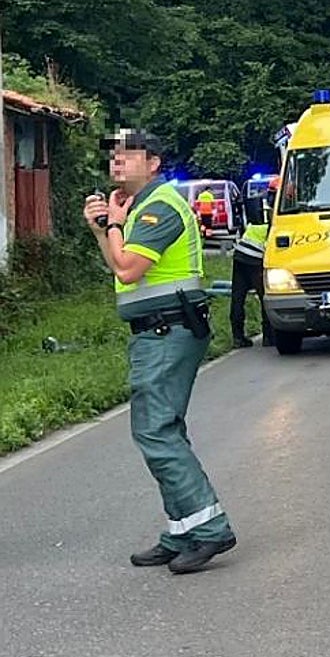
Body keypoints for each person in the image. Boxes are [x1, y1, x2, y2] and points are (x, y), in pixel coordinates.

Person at [82, 129, 236, 574]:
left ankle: (210, 530)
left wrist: (112, 223)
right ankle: (184, 529)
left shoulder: (160, 207)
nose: (117, 163)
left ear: (153, 163)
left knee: (156, 431)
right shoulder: (137, 209)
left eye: (128, 155)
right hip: (154, 331)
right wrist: (103, 228)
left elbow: (128, 270)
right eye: (114, 156)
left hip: (168, 330)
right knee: (162, 430)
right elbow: (119, 261)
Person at [230, 219, 274, 348]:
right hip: (256, 261)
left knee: (238, 297)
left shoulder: (256, 225)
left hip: (239, 256)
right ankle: (269, 337)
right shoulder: (274, 227)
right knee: (265, 296)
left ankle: (237, 337)